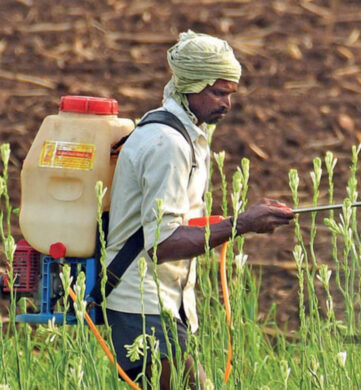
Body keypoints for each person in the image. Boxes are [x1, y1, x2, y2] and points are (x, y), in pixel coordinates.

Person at [104, 30, 294, 389]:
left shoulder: (179, 132)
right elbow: (163, 244)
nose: (227, 104)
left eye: (230, 94)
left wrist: (229, 223)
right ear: (192, 84)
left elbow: (168, 220)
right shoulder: (168, 144)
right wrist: (242, 224)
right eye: (218, 93)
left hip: (156, 305)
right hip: (141, 306)